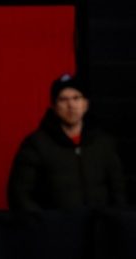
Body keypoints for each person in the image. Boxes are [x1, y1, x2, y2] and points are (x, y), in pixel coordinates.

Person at [7, 74, 126, 210]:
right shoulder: (36, 144)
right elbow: (19, 194)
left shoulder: (104, 143)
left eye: (76, 98)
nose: (71, 105)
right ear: (54, 106)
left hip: (98, 228)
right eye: (63, 99)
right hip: (55, 228)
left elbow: (118, 191)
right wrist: (44, 224)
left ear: (86, 104)